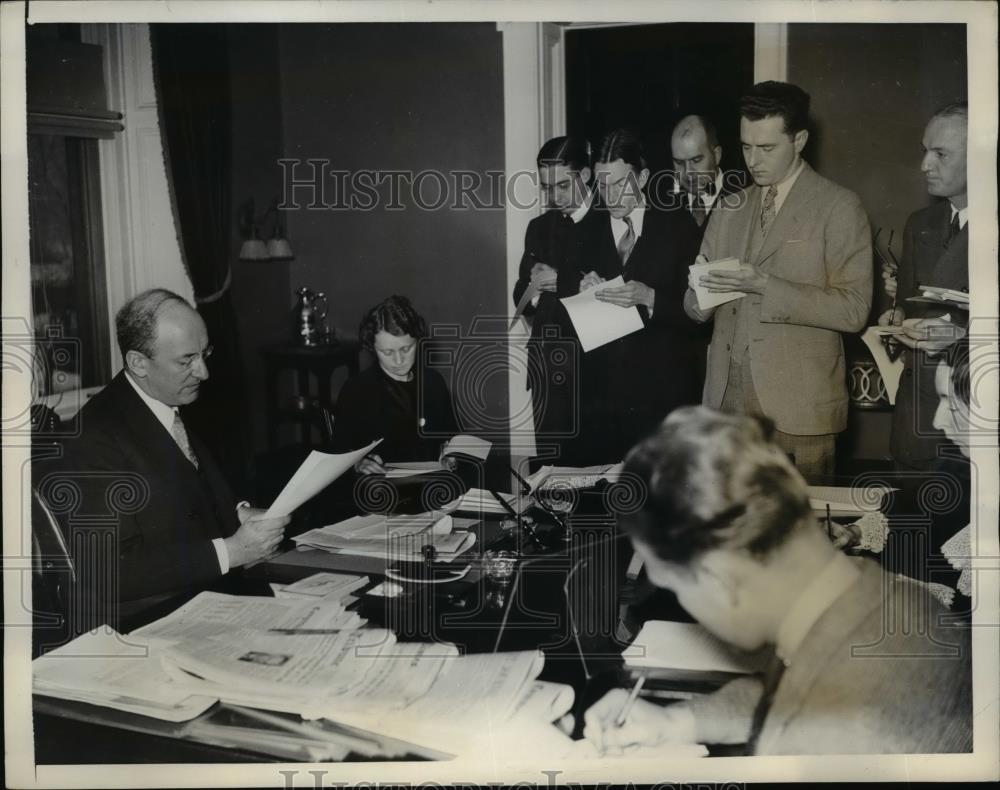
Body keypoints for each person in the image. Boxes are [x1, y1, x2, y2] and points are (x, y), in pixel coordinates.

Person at [583, 406, 972, 756]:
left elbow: (808, 712)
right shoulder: (892, 595)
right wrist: (678, 722)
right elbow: (792, 688)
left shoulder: (809, 748)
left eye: (673, 586)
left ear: (719, 580)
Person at [41, 289, 290, 632]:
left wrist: (239, 511)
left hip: (202, 595)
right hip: (145, 620)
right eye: (186, 360)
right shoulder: (94, 438)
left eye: (205, 354)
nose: (203, 372)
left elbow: (195, 489)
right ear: (138, 362)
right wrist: (231, 552)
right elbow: (107, 571)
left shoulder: (165, 399)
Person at [683, 81, 872, 483]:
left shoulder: (839, 206)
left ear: (799, 139)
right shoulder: (731, 205)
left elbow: (854, 309)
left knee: (797, 536)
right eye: (746, 146)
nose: (752, 160)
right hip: (725, 403)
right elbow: (694, 308)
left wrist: (766, 284)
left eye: (766, 148)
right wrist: (701, 291)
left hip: (799, 409)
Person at [583, 129, 704, 461]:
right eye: (602, 185)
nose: (610, 195)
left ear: (644, 176)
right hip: (602, 406)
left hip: (663, 402)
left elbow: (702, 318)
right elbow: (563, 318)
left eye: (620, 183)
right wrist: (580, 294)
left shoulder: (678, 227)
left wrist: (652, 299)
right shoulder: (585, 232)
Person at [880, 102, 969, 473]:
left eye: (941, 154)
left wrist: (962, 335)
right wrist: (897, 317)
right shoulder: (920, 223)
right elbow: (909, 306)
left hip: (971, 423)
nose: (924, 165)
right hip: (916, 425)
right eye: (925, 150)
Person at [512, 136, 611, 465]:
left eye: (562, 186)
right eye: (547, 188)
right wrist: (536, 291)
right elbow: (520, 296)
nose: (554, 197)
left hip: (595, 375)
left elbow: (614, 294)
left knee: (594, 479)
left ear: (584, 175)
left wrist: (561, 282)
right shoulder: (538, 228)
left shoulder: (609, 223)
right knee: (549, 480)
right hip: (546, 375)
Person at [331, 295, 457, 474]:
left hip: (431, 486)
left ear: (417, 341)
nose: (399, 360)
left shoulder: (433, 383)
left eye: (406, 349)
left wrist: (451, 454)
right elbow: (339, 452)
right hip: (379, 490)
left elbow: (450, 437)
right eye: (387, 352)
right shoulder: (356, 390)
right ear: (373, 349)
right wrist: (357, 463)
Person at [670, 114, 741, 238]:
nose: (688, 172)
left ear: (717, 155)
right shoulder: (664, 209)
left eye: (696, 160)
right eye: (679, 163)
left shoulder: (746, 199)